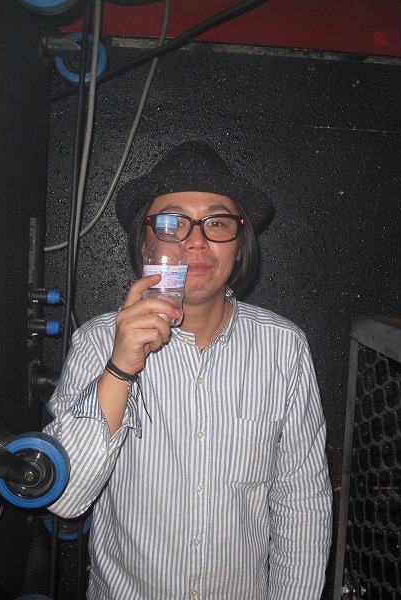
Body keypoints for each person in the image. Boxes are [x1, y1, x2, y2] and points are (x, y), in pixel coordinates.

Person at [44, 141, 332, 599]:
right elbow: (64, 498)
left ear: (240, 246)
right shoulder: (99, 341)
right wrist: (120, 368)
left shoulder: (285, 348)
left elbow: (302, 504)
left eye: (216, 223)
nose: (195, 241)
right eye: (171, 223)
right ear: (145, 242)